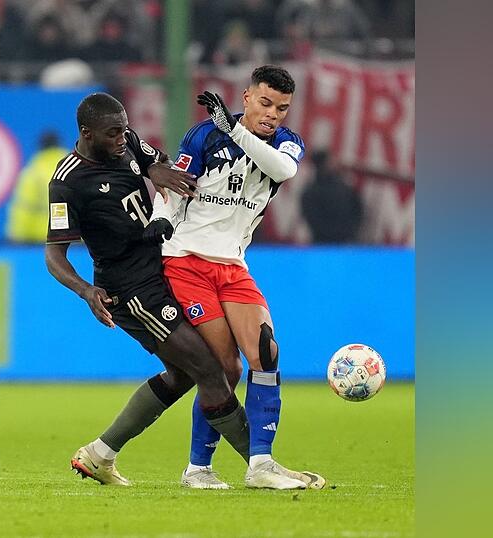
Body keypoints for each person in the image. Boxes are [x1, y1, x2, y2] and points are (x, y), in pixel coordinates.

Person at [45, 93, 254, 487]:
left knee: (187, 373)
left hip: (163, 268)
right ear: (87, 133)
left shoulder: (125, 141)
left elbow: (156, 161)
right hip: (130, 290)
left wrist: (156, 170)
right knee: (210, 368)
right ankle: (259, 463)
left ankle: (100, 454)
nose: (122, 138)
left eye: (124, 130)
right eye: (112, 133)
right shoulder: (67, 181)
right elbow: (54, 255)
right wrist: (86, 291)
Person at [146, 66, 326, 490]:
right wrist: (160, 218)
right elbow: (175, 184)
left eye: (282, 108)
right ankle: (198, 468)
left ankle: (260, 465)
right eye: (265, 103)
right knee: (224, 368)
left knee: (265, 352)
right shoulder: (204, 135)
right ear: (246, 97)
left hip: (233, 265)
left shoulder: (286, 144)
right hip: (187, 260)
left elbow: (283, 171)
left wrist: (236, 130)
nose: (273, 114)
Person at [5, 131, 67, 244]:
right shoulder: (76, 169)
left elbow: (23, 208)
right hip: (74, 239)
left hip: (41, 239)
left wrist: (17, 236)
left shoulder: (33, 172)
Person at [300, 150, 364, 243]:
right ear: (322, 165)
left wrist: (351, 231)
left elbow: (357, 209)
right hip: (324, 242)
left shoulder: (345, 188)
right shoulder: (311, 192)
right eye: (330, 161)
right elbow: (314, 220)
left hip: (344, 241)